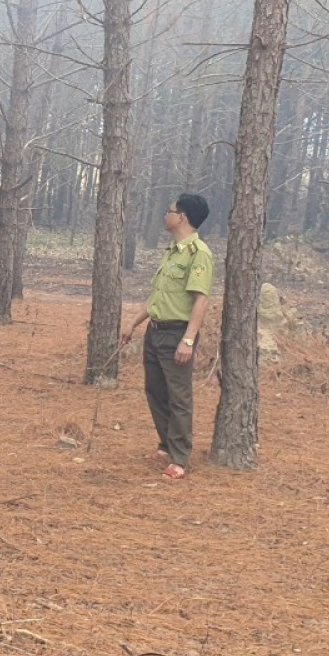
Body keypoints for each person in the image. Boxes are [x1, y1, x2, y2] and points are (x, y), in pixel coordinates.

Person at [120, 193, 215, 481]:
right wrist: (134, 324)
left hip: (177, 333)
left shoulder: (199, 254)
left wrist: (188, 339)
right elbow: (157, 297)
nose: (166, 215)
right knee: (156, 391)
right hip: (156, 331)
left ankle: (179, 457)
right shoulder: (172, 252)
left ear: (182, 217)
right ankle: (165, 445)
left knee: (179, 397)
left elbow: (200, 299)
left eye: (169, 210)